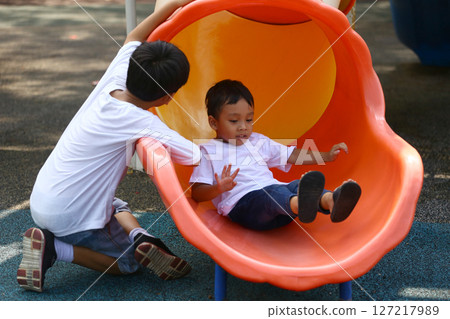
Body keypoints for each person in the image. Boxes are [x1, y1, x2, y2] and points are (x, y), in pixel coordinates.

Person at [17, 0, 199, 292]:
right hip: (73, 219)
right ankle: (54, 249)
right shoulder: (142, 121)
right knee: (129, 265)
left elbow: (133, 38)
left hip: (43, 198)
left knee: (116, 204)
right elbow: (194, 154)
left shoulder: (118, 76)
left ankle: (139, 235)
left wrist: (173, 5)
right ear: (167, 96)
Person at [190, 79, 361, 230]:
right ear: (213, 122)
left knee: (295, 185)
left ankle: (330, 200)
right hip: (244, 207)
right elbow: (197, 192)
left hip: (282, 207)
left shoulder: (258, 141)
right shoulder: (208, 151)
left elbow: (291, 155)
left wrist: (326, 156)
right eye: (234, 121)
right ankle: (300, 203)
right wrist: (218, 189)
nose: (243, 126)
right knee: (273, 193)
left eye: (249, 119)